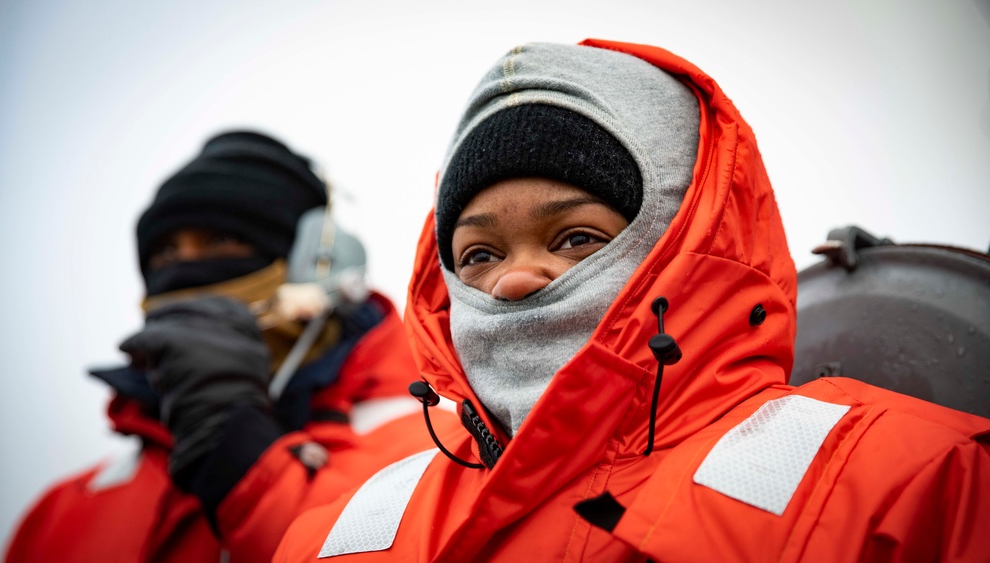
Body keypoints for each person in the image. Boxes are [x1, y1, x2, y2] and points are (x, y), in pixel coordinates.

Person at [274, 40, 990, 562]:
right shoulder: (341, 535)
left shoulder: (908, 484)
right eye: (479, 253)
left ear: (682, 242)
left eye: (578, 237)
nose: (514, 281)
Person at [4, 131, 454, 563]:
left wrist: (238, 455)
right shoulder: (61, 511)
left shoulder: (444, 458)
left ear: (318, 265)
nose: (184, 269)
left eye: (222, 241)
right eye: (163, 253)